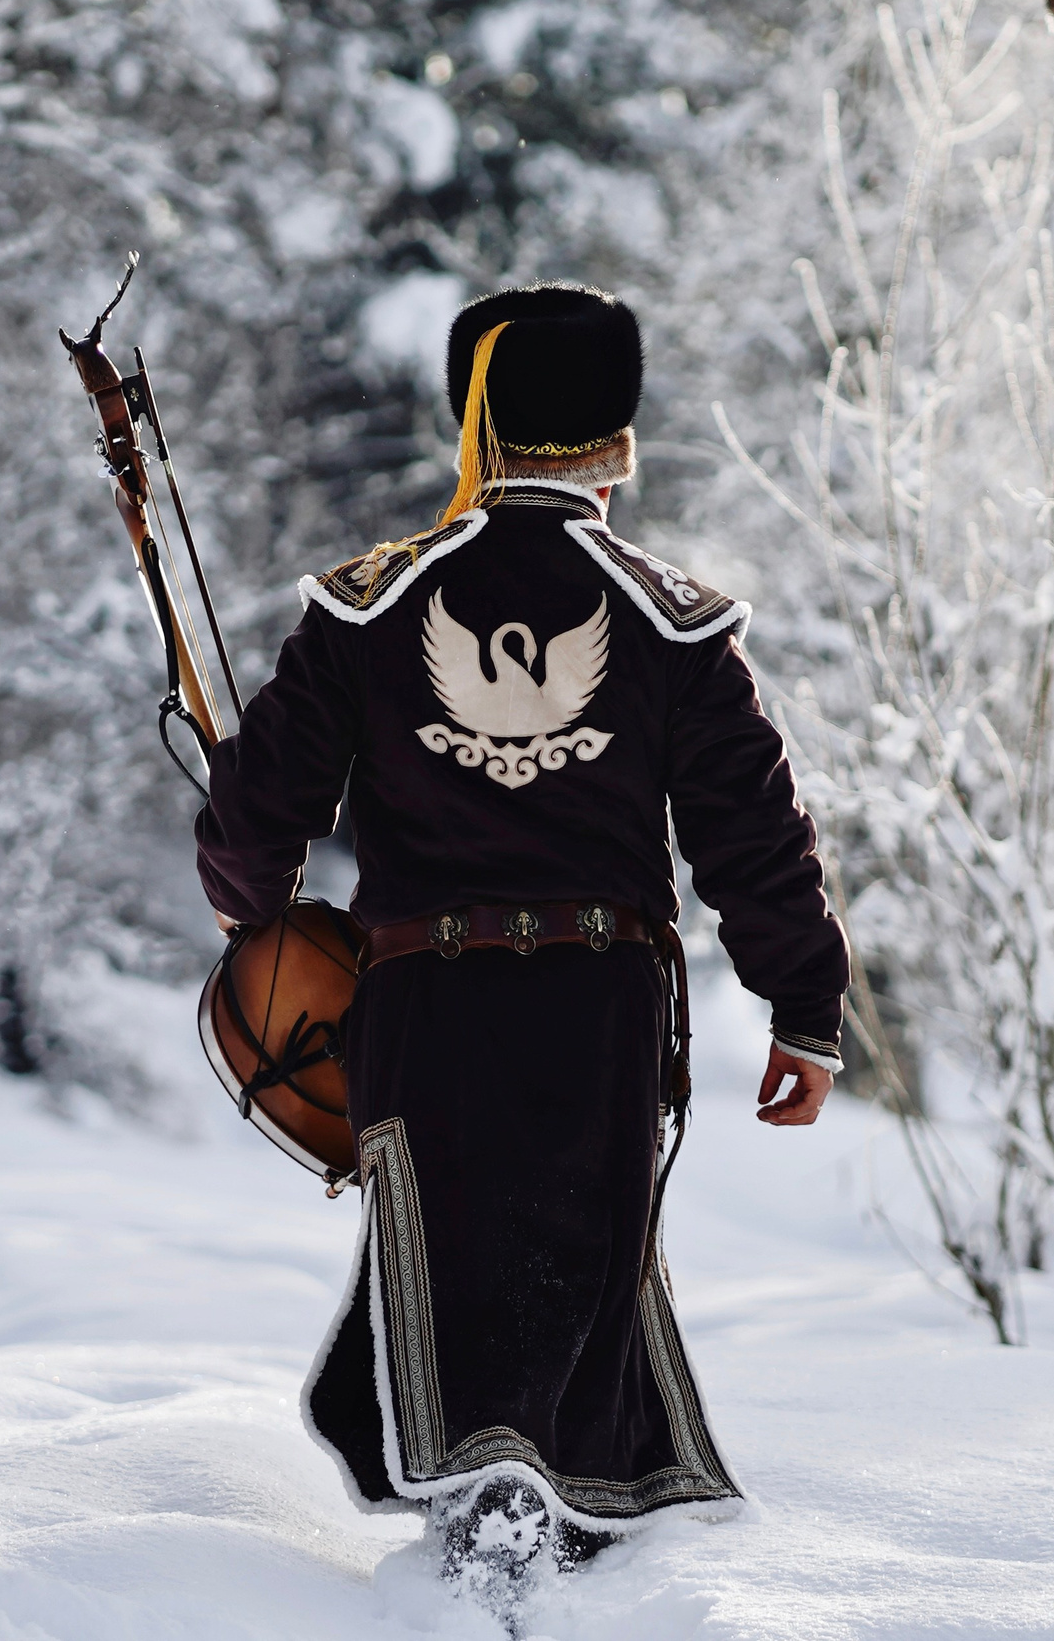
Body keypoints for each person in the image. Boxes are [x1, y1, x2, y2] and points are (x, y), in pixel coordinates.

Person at [194, 283, 850, 1590]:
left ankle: (493, 1512)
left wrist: (248, 895)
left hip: (423, 1014)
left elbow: (254, 823)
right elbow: (756, 838)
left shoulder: (368, 608)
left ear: (474, 420)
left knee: (447, 1254)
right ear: (613, 434)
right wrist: (804, 1013)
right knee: (578, 1259)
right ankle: (568, 1534)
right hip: (603, 1010)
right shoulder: (678, 621)